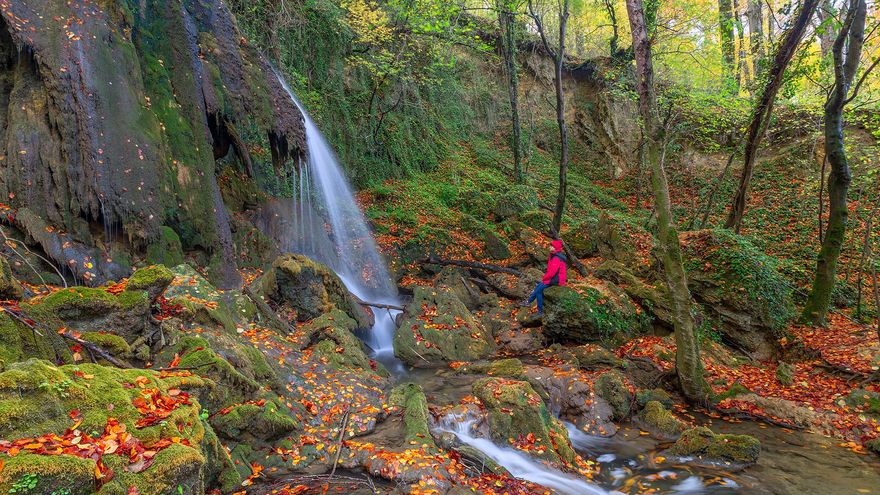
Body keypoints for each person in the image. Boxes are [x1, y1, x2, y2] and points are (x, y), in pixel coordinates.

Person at [523, 239, 567, 314]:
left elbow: (552, 272)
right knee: (538, 288)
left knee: (539, 289)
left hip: (557, 279)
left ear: (555, 248)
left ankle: (531, 303)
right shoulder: (554, 255)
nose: (549, 247)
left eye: (552, 246)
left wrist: (544, 278)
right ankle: (534, 306)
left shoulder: (556, 258)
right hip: (554, 278)